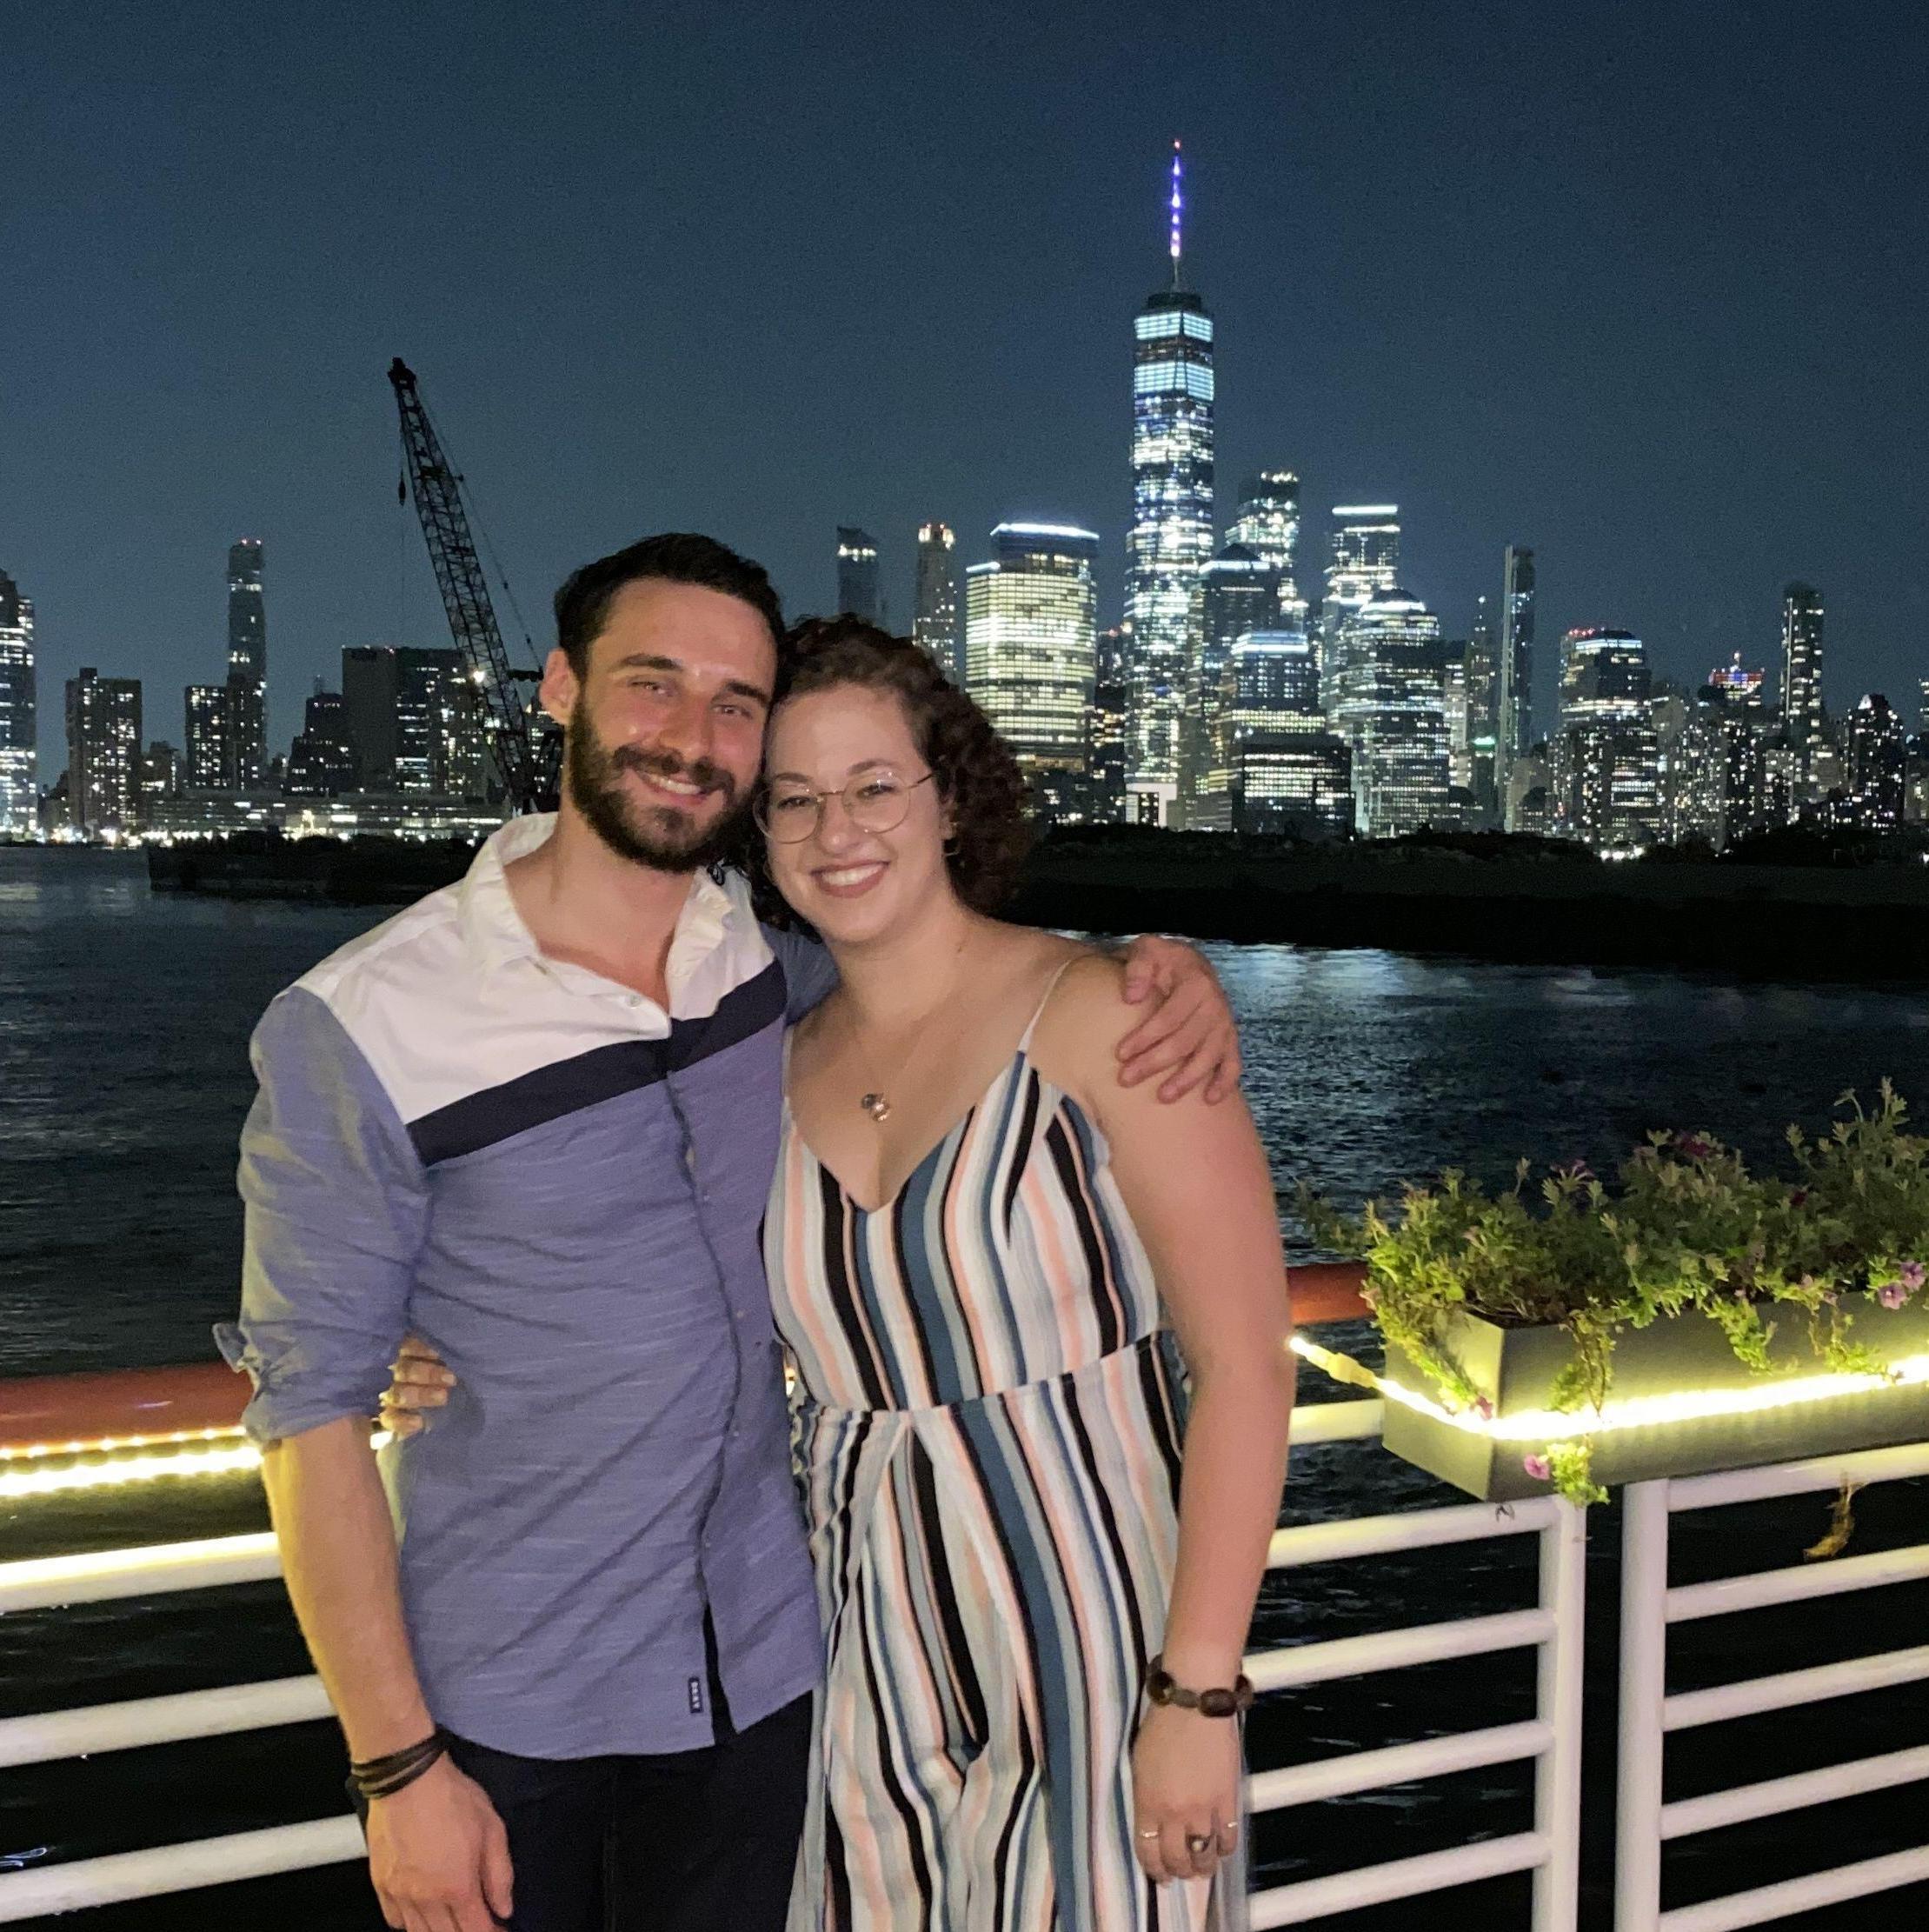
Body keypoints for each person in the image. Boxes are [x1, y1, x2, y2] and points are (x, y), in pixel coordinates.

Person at [218, 535, 1241, 1932]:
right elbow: (308, 1411)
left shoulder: (763, 972)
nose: (692, 735)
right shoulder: (362, 1022)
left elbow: (950, 986)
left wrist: (1158, 970)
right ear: (561, 687)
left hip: (776, 1675)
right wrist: (397, 1766)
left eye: (735, 703)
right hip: (515, 1701)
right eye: (653, 681)